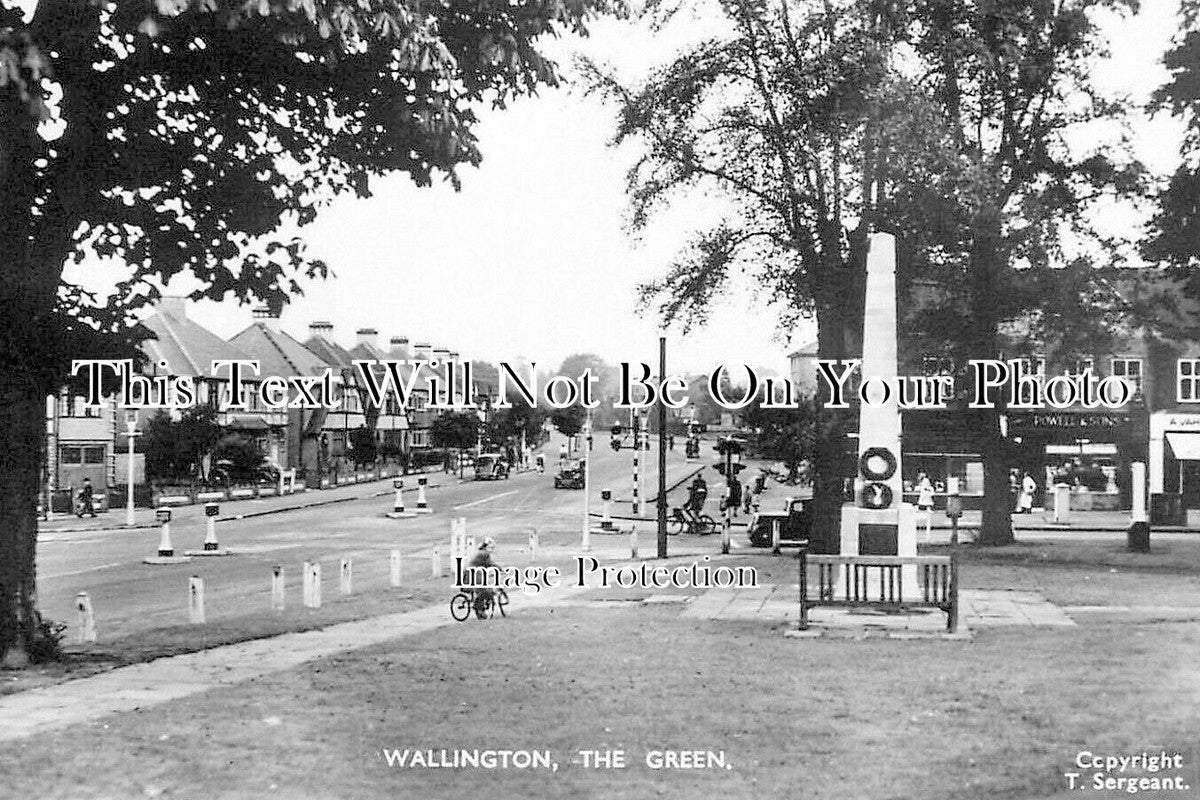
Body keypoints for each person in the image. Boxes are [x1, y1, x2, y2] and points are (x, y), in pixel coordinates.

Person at [468, 537, 498, 619]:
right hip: (474, 575)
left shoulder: (482, 553)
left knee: (486, 590)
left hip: (476, 574)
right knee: (484, 591)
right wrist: (499, 568)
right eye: (490, 547)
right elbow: (490, 564)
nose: (492, 549)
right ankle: (478, 609)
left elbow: (487, 565)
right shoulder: (484, 554)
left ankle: (480, 609)